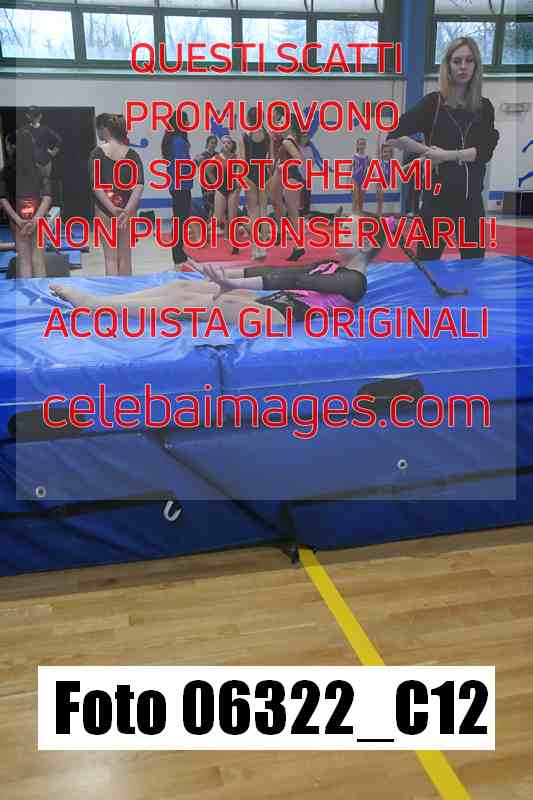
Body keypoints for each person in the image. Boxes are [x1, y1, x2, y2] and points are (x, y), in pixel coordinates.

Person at [50, 240, 373, 327]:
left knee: (191, 304)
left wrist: (231, 285)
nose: (341, 231)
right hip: (276, 298)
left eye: (350, 229)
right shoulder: (328, 263)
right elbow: (278, 269)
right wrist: (226, 277)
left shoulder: (355, 281)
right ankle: (97, 302)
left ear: (366, 244)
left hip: (283, 313)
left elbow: (295, 279)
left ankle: (96, 306)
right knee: (180, 287)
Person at [386, 36, 499, 261]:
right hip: (436, 201)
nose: (463, 66)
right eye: (457, 61)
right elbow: (394, 136)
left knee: (474, 263)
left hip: (471, 202)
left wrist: (445, 155)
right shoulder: (432, 104)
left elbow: (484, 152)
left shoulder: (484, 107)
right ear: (448, 66)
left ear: (476, 65)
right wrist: (426, 151)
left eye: (469, 60)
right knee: (428, 261)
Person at [89, 113, 144, 276]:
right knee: (125, 256)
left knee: (110, 258)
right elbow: (139, 185)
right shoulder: (132, 154)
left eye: (98, 129)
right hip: (128, 209)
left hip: (105, 209)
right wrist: (127, 211)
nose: (97, 133)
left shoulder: (97, 153)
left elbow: (97, 186)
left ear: (105, 130)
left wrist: (112, 209)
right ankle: (126, 291)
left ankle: (113, 292)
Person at [0, 129, 52, 277]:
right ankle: (41, 291)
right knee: (38, 259)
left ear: (12, 146)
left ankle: (26, 292)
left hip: (17, 219)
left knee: (24, 260)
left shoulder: (6, 172)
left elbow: (3, 199)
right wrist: (36, 219)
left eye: (7, 145)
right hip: (37, 217)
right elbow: (47, 197)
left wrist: (18, 220)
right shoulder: (40, 170)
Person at [162, 113, 193, 267]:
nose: (188, 123)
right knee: (180, 221)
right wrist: (196, 162)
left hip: (177, 184)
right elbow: (183, 165)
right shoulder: (178, 141)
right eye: (186, 120)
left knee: (179, 220)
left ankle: (179, 253)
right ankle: (179, 255)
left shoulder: (172, 140)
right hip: (182, 185)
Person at [240, 109, 271, 260]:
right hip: (263, 173)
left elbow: (242, 161)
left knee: (252, 213)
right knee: (263, 211)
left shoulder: (245, 136)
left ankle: (255, 249)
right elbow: (270, 159)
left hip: (250, 174)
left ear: (248, 119)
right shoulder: (267, 136)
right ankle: (263, 247)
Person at [278, 115, 306, 262]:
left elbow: (299, 160)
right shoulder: (290, 140)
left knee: (293, 214)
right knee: (293, 214)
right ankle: (298, 246)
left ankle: (299, 246)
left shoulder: (287, 141)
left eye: (282, 121)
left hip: (291, 179)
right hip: (292, 178)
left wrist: (282, 166)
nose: (279, 123)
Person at [213, 135, 241, 255]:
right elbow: (206, 170)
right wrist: (213, 182)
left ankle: (235, 245)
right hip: (220, 188)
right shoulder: (216, 158)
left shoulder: (236, 157)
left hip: (233, 189)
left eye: (228, 143)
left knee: (232, 218)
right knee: (218, 219)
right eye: (224, 143)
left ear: (231, 145)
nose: (226, 145)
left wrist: (239, 182)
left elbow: (240, 171)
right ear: (221, 144)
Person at [22, 106, 61, 179]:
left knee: (46, 183)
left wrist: (54, 152)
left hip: (46, 164)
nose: (34, 117)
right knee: (35, 184)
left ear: (40, 116)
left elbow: (59, 140)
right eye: (31, 115)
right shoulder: (24, 130)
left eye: (36, 115)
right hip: (32, 165)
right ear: (28, 116)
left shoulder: (45, 129)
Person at [194, 134, 218, 220]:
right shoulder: (202, 155)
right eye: (211, 142)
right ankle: (208, 221)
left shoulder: (218, 155)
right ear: (207, 143)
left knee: (217, 203)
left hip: (216, 182)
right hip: (206, 184)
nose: (213, 145)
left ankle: (217, 221)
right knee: (208, 203)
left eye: (215, 143)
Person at [351, 137, 370, 213]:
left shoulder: (367, 157)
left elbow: (372, 168)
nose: (362, 146)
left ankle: (360, 215)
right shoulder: (354, 157)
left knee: (361, 199)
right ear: (357, 145)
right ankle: (353, 215)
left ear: (365, 145)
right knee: (355, 198)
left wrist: (376, 177)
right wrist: (348, 181)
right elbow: (349, 169)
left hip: (364, 180)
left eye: (363, 144)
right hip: (355, 179)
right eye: (360, 144)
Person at [375, 142, 393, 216]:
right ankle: (379, 214)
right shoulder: (380, 161)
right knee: (380, 200)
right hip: (380, 182)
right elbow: (377, 150)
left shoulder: (391, 162)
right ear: (382, 153)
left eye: (388, 152)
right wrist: (378, 138)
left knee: (382, 200)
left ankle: (380, 214)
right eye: (385, 152)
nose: (386, 154)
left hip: (388, 181)